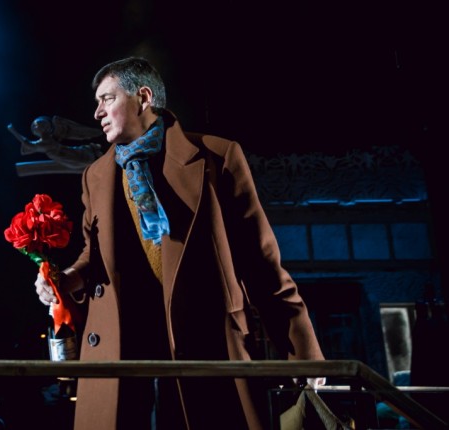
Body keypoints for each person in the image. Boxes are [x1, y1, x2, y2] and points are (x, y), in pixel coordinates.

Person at [33, 56, 326, 430]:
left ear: (143, 97)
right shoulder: (96, 175)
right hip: (121, 351)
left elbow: (260, 262)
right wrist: (64, 278)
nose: (97, 113)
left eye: (107, 99)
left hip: (207, 346)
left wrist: (303, 354)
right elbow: (95, 255)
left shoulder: (217, 157)